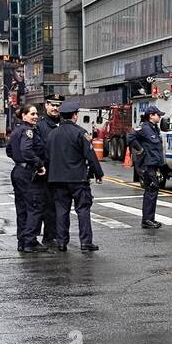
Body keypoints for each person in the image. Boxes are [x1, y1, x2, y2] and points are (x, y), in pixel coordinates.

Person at [43, 101, 104, 251]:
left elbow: (47, 157)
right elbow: (90, 155)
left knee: (61, 211)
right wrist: (98, 173)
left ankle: (62, 242)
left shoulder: (52, 134)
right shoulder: (80, 133)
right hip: (77, 179)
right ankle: (85, 242)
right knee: (83, 210)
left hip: (57, 180)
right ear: (75, 116)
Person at [6, 105, 46, 253]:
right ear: (24, 116)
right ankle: (30, 241)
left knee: (21, 207)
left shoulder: (16, 131)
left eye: (36, 114)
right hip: (27, 173)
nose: (35, 116)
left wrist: (19, 160)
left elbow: (9, 150)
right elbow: (26, 150)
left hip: (18, 171)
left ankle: (22, 241)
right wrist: (39, 164)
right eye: (32, 114)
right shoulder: (28, 131)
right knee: (35, 206)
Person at [128, 105, 166, 229]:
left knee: (153, 191)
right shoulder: (144, 128)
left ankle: (150, 218)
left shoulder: (154, 128)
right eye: (158, 115)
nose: (159, 117)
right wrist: (140, 148)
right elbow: (130, 137)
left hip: (154, 165)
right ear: (151, 115)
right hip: (147, 165)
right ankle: (147, 220)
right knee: (151, 191)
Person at [35, 94, 64, 246]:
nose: (55, 108)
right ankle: (48, 236)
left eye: (58, 105)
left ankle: (59, 235)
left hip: (63, 173)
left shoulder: (65, 123)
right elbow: (37, 149)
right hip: (46, 173)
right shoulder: (40, 126)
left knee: (62, 206)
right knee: (48, 206)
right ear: (46, 105)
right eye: (52, 105)